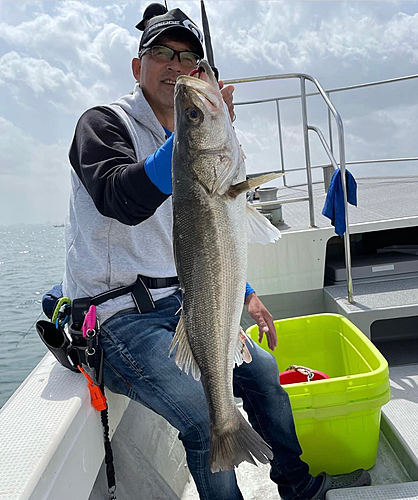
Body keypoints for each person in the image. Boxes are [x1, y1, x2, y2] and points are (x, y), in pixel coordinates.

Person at [63, 7, 371, 500]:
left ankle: (300, 487)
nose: (175, 65)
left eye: (188, 57)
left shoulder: (200, 135)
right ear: (136, 65)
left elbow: (207, 234)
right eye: (160, 53)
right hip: (115, 316)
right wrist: (194, 134)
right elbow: (119, 198)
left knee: (266, 377)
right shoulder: (102, 124)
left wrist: (245, 293)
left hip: (182, 300)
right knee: (207, 418)